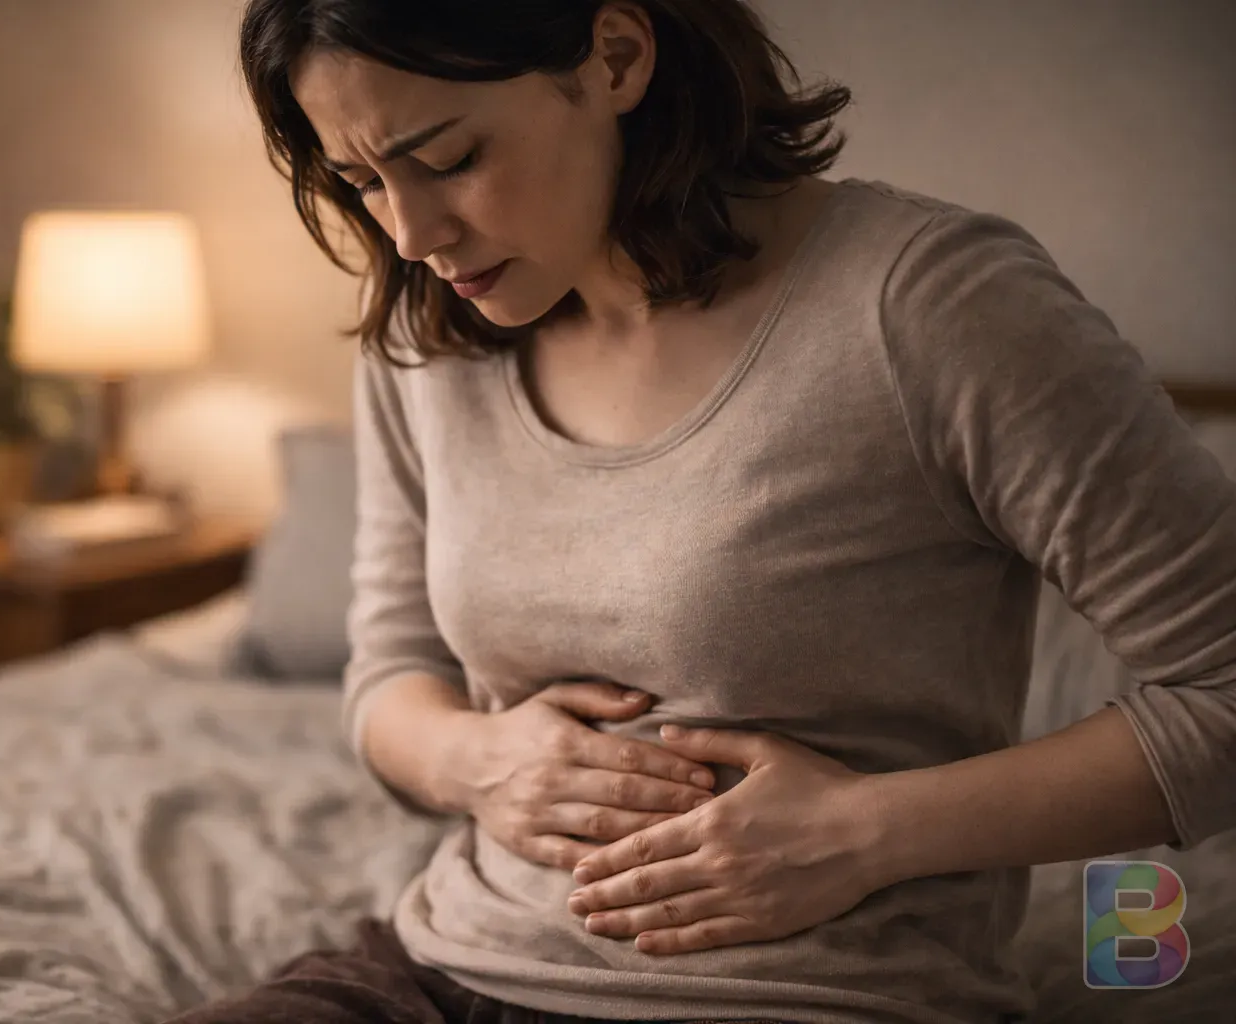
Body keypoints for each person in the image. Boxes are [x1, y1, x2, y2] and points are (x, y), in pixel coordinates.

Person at [168, 2, 1236, 1023]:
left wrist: (860, 831)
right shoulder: (425, 337)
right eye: (360, 181)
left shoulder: (932, 309)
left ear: (617, 57)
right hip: (441, 965)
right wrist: (477, 761)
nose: (409, 233)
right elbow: (389, 673)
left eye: (449, 159)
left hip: (806, 998)